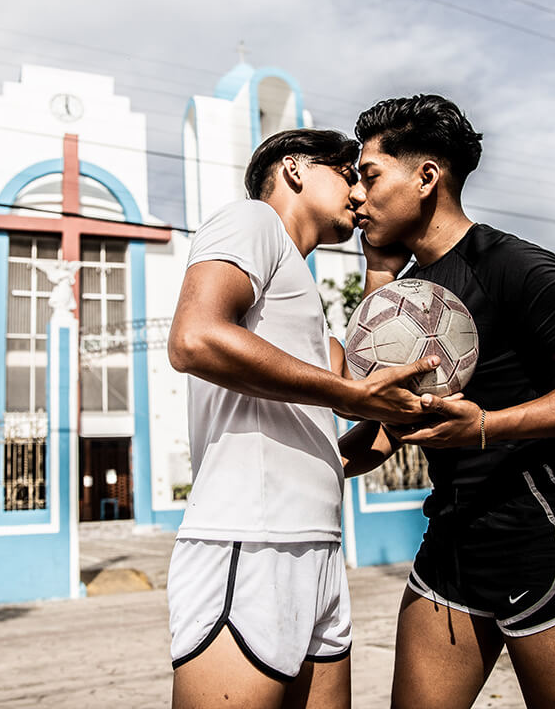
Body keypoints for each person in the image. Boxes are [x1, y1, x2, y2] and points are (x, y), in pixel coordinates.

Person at [341, 95, 555, 709]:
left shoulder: (507, 262)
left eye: (370, 176)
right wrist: (377, 275)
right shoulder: (408, 297)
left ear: (426, 178)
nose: (356, 194)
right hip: (451, 539)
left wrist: (487, 426)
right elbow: (381, 422)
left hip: (535, 533)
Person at [166, 127, 441, 709]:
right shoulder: (252, 222)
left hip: (318, 550)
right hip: (251, 540)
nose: (360, 194)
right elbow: (195, 337)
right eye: (348, 175)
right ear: (294, 169)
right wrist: (357, 395)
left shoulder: (302, 296)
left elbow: (356, 395)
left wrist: (381, 274)